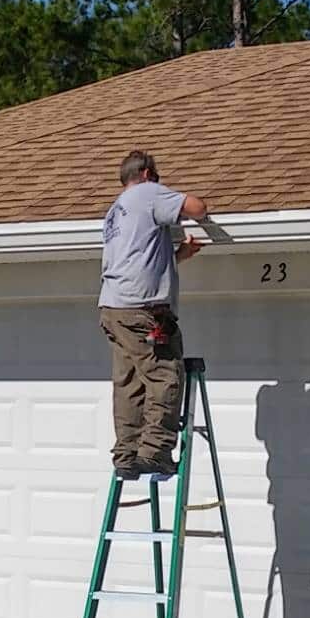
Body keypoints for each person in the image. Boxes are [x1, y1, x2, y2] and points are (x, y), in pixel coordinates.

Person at [98, 150, 209, 477]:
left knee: (129, 383)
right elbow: (198, 208)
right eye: (157, 176)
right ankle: (155, 451)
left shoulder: (115, 211)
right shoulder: (147, 193)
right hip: (143, 308)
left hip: (114, 308)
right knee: (164, 375)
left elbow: (140, 259)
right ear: (146, 173)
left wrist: (180, 254)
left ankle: (127, 456)